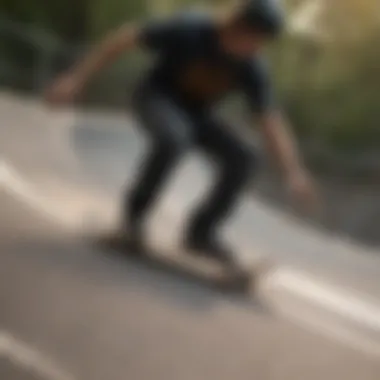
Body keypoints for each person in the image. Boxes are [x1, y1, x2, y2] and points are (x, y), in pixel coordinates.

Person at [46, 0, 318, 264]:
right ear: (237, 26)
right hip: (156, 98)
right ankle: (132, 223)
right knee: (174, 139)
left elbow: (270, 119)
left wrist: (293, 172)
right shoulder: (191, 29)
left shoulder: (252, 66)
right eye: (254, 39)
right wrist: (75, 79)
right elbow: (122, 39)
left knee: (244, 157)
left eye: (262, 43)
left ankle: (201, 235)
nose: (255, 48)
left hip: (198, 114)